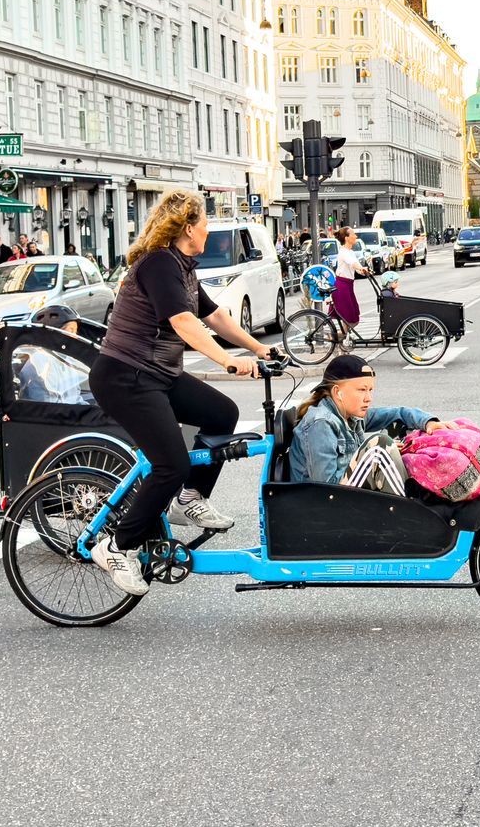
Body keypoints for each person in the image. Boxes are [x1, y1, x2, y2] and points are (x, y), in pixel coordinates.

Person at [85, 188, 272, 596]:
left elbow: (215, 315)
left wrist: (259, 348)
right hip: (125, 376)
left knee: (221, 414)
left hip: (158, 374)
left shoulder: (182, 266)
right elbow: (185, 322)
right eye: (204, 221)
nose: (208, 228)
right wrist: (226, 361)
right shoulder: (156, 265)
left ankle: (189, 498)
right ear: (189, 227)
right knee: (169, 463)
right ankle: (117, 547)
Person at [288, 354, 447, 484]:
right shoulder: (321, 424)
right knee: (381, 444)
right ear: (338, 392)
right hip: (323, 507)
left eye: (370, 390)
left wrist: (428, 422)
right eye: (362, 390)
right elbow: (326, 486)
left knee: (398, 431)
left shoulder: (350, 415)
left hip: (347, 496)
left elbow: (397, 414)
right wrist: (371, 455)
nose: (368, 398)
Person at [13, 302, 91, 405]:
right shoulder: (41, 360)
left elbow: (75, 398)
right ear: (54, 334)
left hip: (70, 414)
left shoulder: (67, 359)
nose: (75, 336)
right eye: (70, 331)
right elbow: (48, 404)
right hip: (49, 416)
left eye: (75, 331)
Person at [330, 227, 366, 341]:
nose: (356, 236)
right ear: (347, 238)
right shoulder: (343, 252)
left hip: (348, 286)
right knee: (350, 318)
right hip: (342, 287)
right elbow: (353, 263)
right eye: (353, 234)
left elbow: (356, 266)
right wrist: (361, 268)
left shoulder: (350, 252)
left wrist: (364, 270)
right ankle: (337, 339)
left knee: (353, 318)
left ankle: (341, 340)